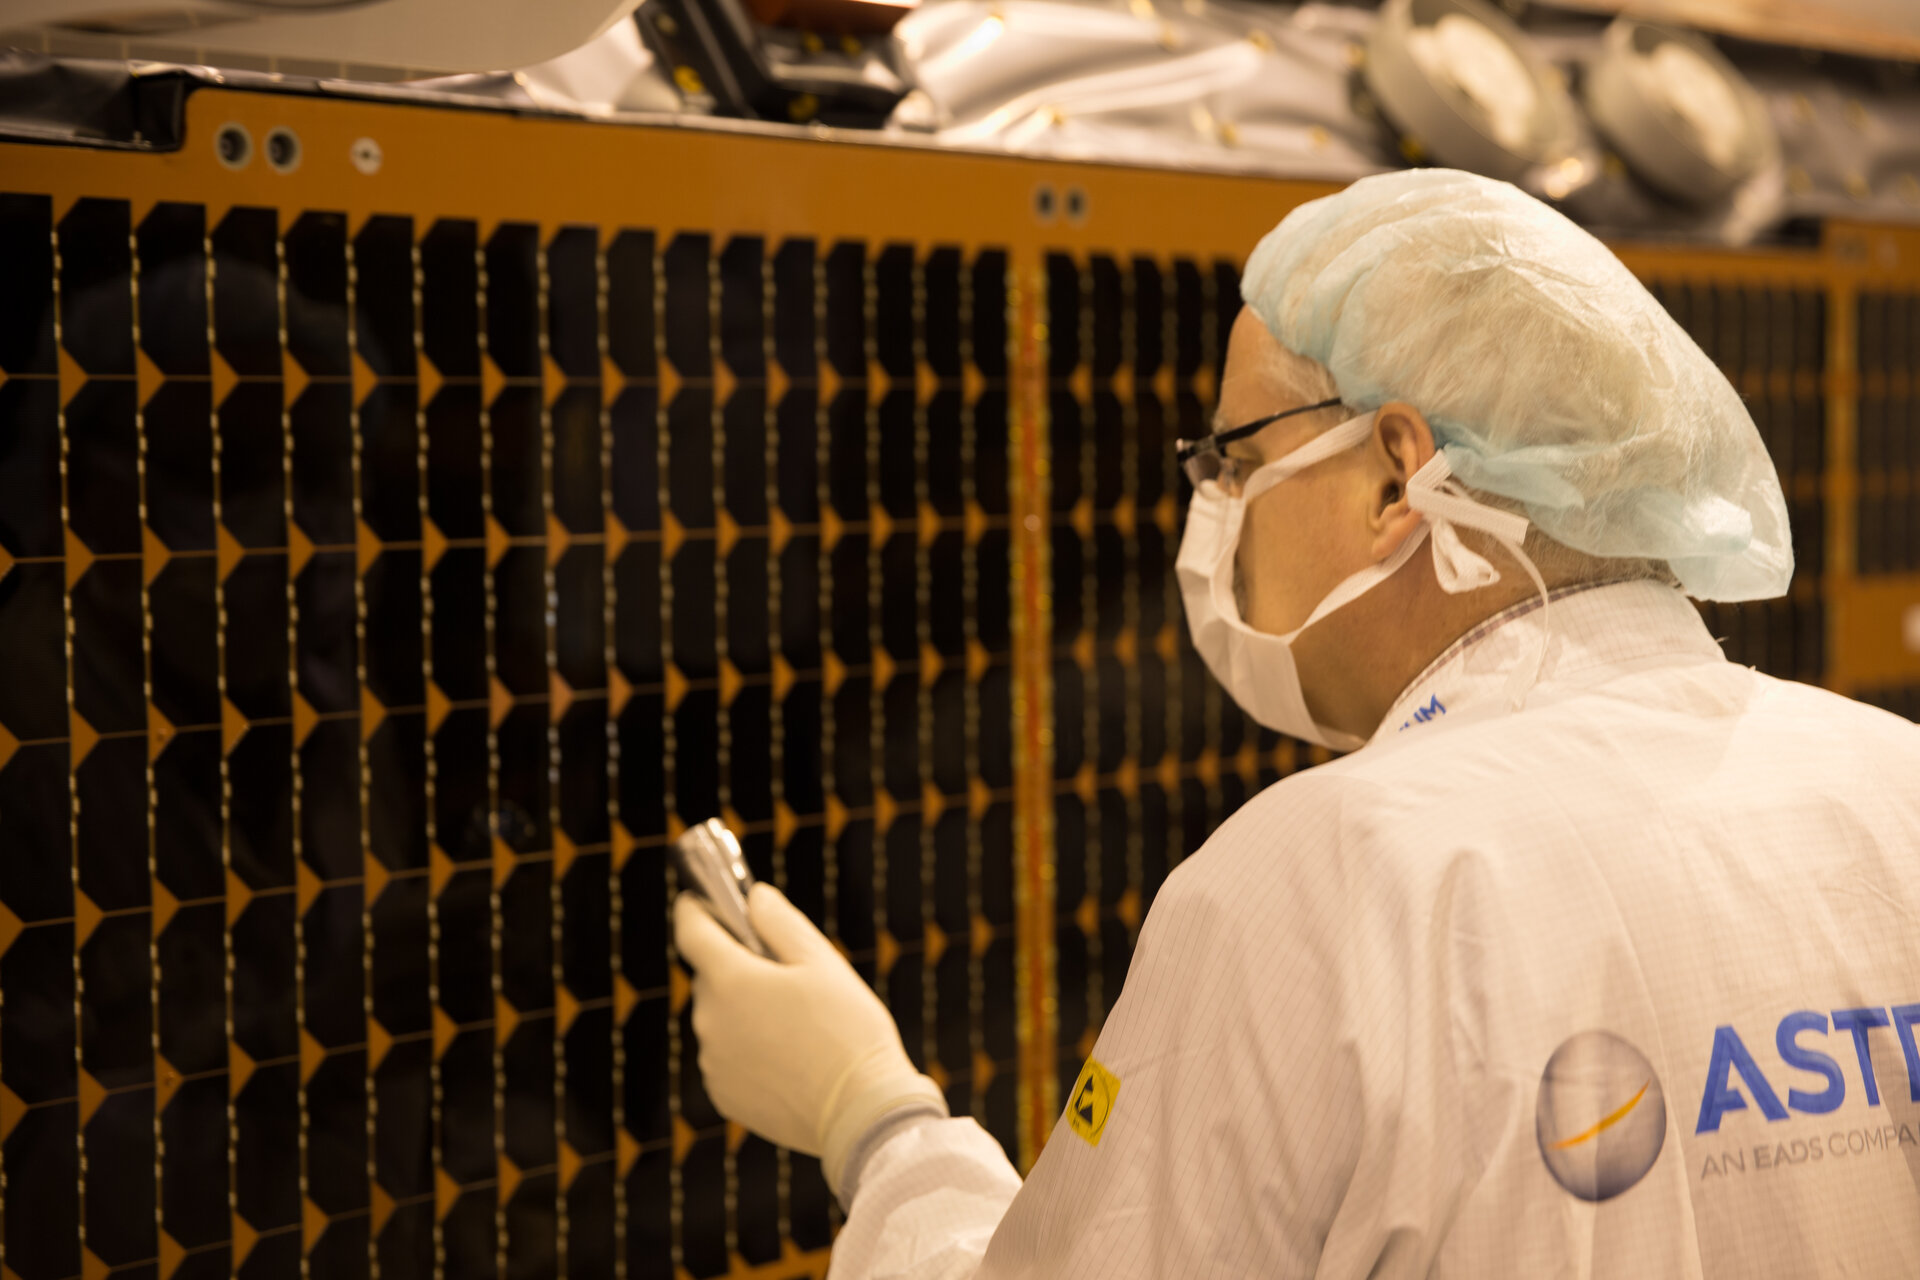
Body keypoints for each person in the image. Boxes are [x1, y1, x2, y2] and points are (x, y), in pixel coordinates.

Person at [673, 169, 1920, 1277]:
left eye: (1232, 452)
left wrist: (876, 1120)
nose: (1215, 502)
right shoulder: (1895, 781)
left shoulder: (1322, 886)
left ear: (1396, 475)